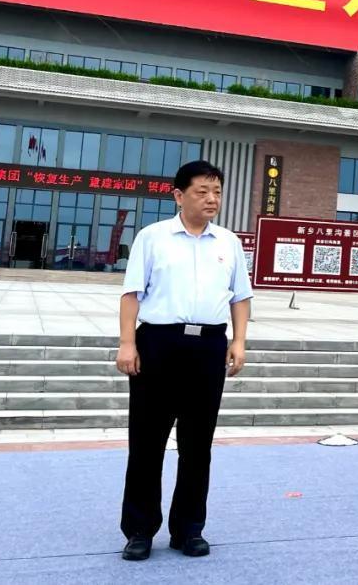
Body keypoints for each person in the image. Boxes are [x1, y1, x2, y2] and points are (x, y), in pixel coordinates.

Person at [116, 160, 252, 562]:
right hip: (158, 343)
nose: (212, 199)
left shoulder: (229, 242)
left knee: (198, 446)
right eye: (202, 191)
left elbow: (240, 296)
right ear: (178, 195)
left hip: (208, 346)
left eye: (217, 192)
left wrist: (239, 340)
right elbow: (131, 294)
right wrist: (128, 343)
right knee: (147, 442)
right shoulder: (153, 237)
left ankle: (189, 529)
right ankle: (139, 530)